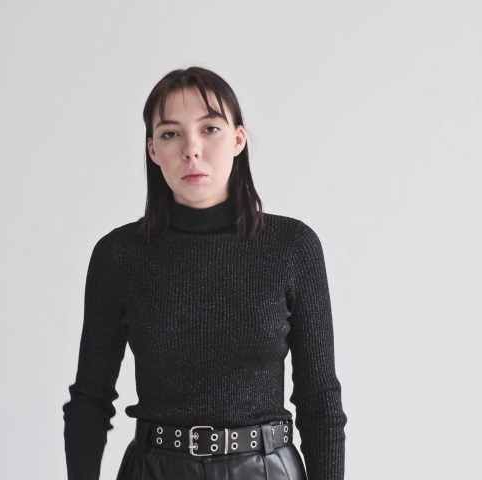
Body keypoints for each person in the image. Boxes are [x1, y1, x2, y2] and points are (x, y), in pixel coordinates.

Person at [62, 66, 347, 480]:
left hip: (267, 470)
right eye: (171, 133)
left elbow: (320, 400)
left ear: (237, 139)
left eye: (209, 128)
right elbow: (90, 398)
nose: (191, 149)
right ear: (152, 150)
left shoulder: (292, 247)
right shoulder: (119, 256)